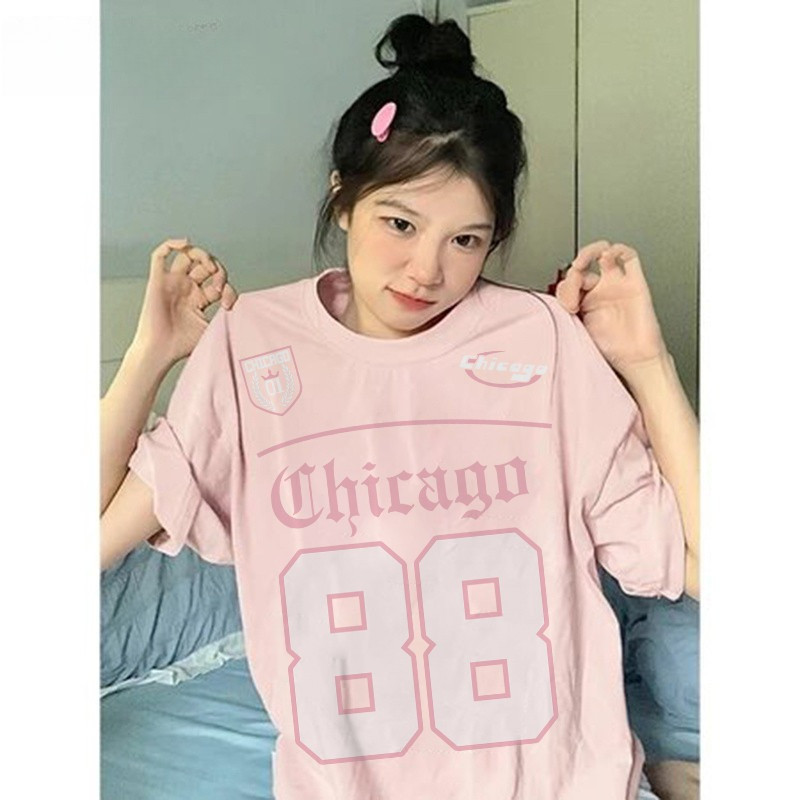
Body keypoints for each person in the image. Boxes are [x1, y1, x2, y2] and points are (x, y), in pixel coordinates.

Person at [100, 13, 698, 800]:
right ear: (343, 199)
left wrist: (649, 367)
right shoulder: (253, 348)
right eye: (400, 223)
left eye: (466, 240)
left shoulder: (542, 340)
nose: (426, 269)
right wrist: (147, 357)